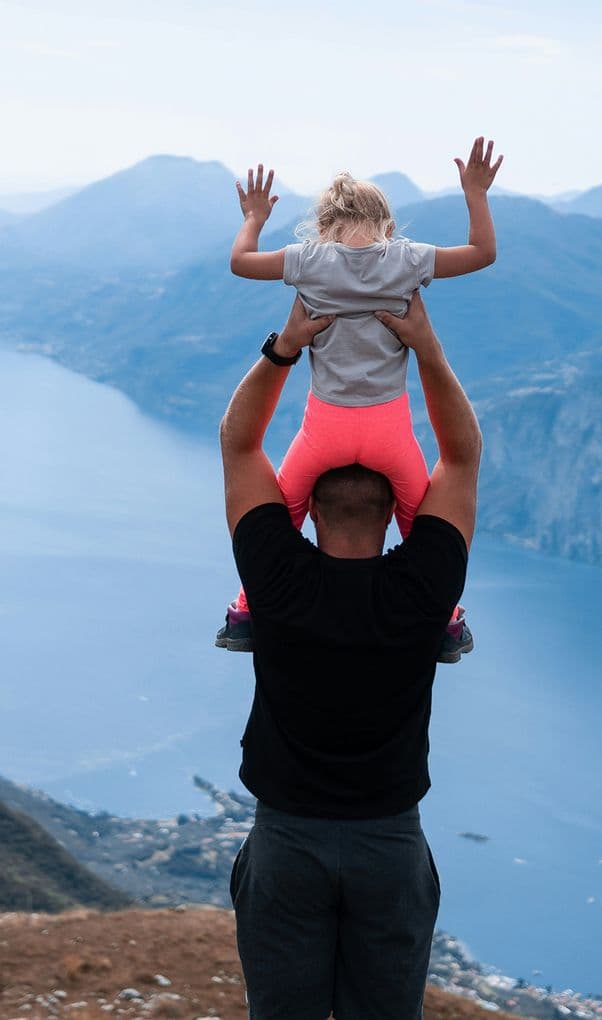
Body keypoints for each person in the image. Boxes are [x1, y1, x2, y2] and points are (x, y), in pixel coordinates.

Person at [220, 287, 481, 1018]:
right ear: (395, 510)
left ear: (313, 508)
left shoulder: (274, 578)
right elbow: (462, 456)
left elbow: (238, 443)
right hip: (390, 846)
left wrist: (287, 345)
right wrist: (424, 346)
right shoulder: (423, 589)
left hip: (286, 847)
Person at [216, 137, 502, 662]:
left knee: (283, 513)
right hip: (389, 433)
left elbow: (240, 262)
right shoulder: (406, 260)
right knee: (424, 523)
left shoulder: (308, 262)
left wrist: (254, 217)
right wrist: (476, 193)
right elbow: (483, 253)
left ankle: (245, 610)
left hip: (323, 431)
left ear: (323, 228)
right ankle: (446, 619)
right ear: (387, 226)